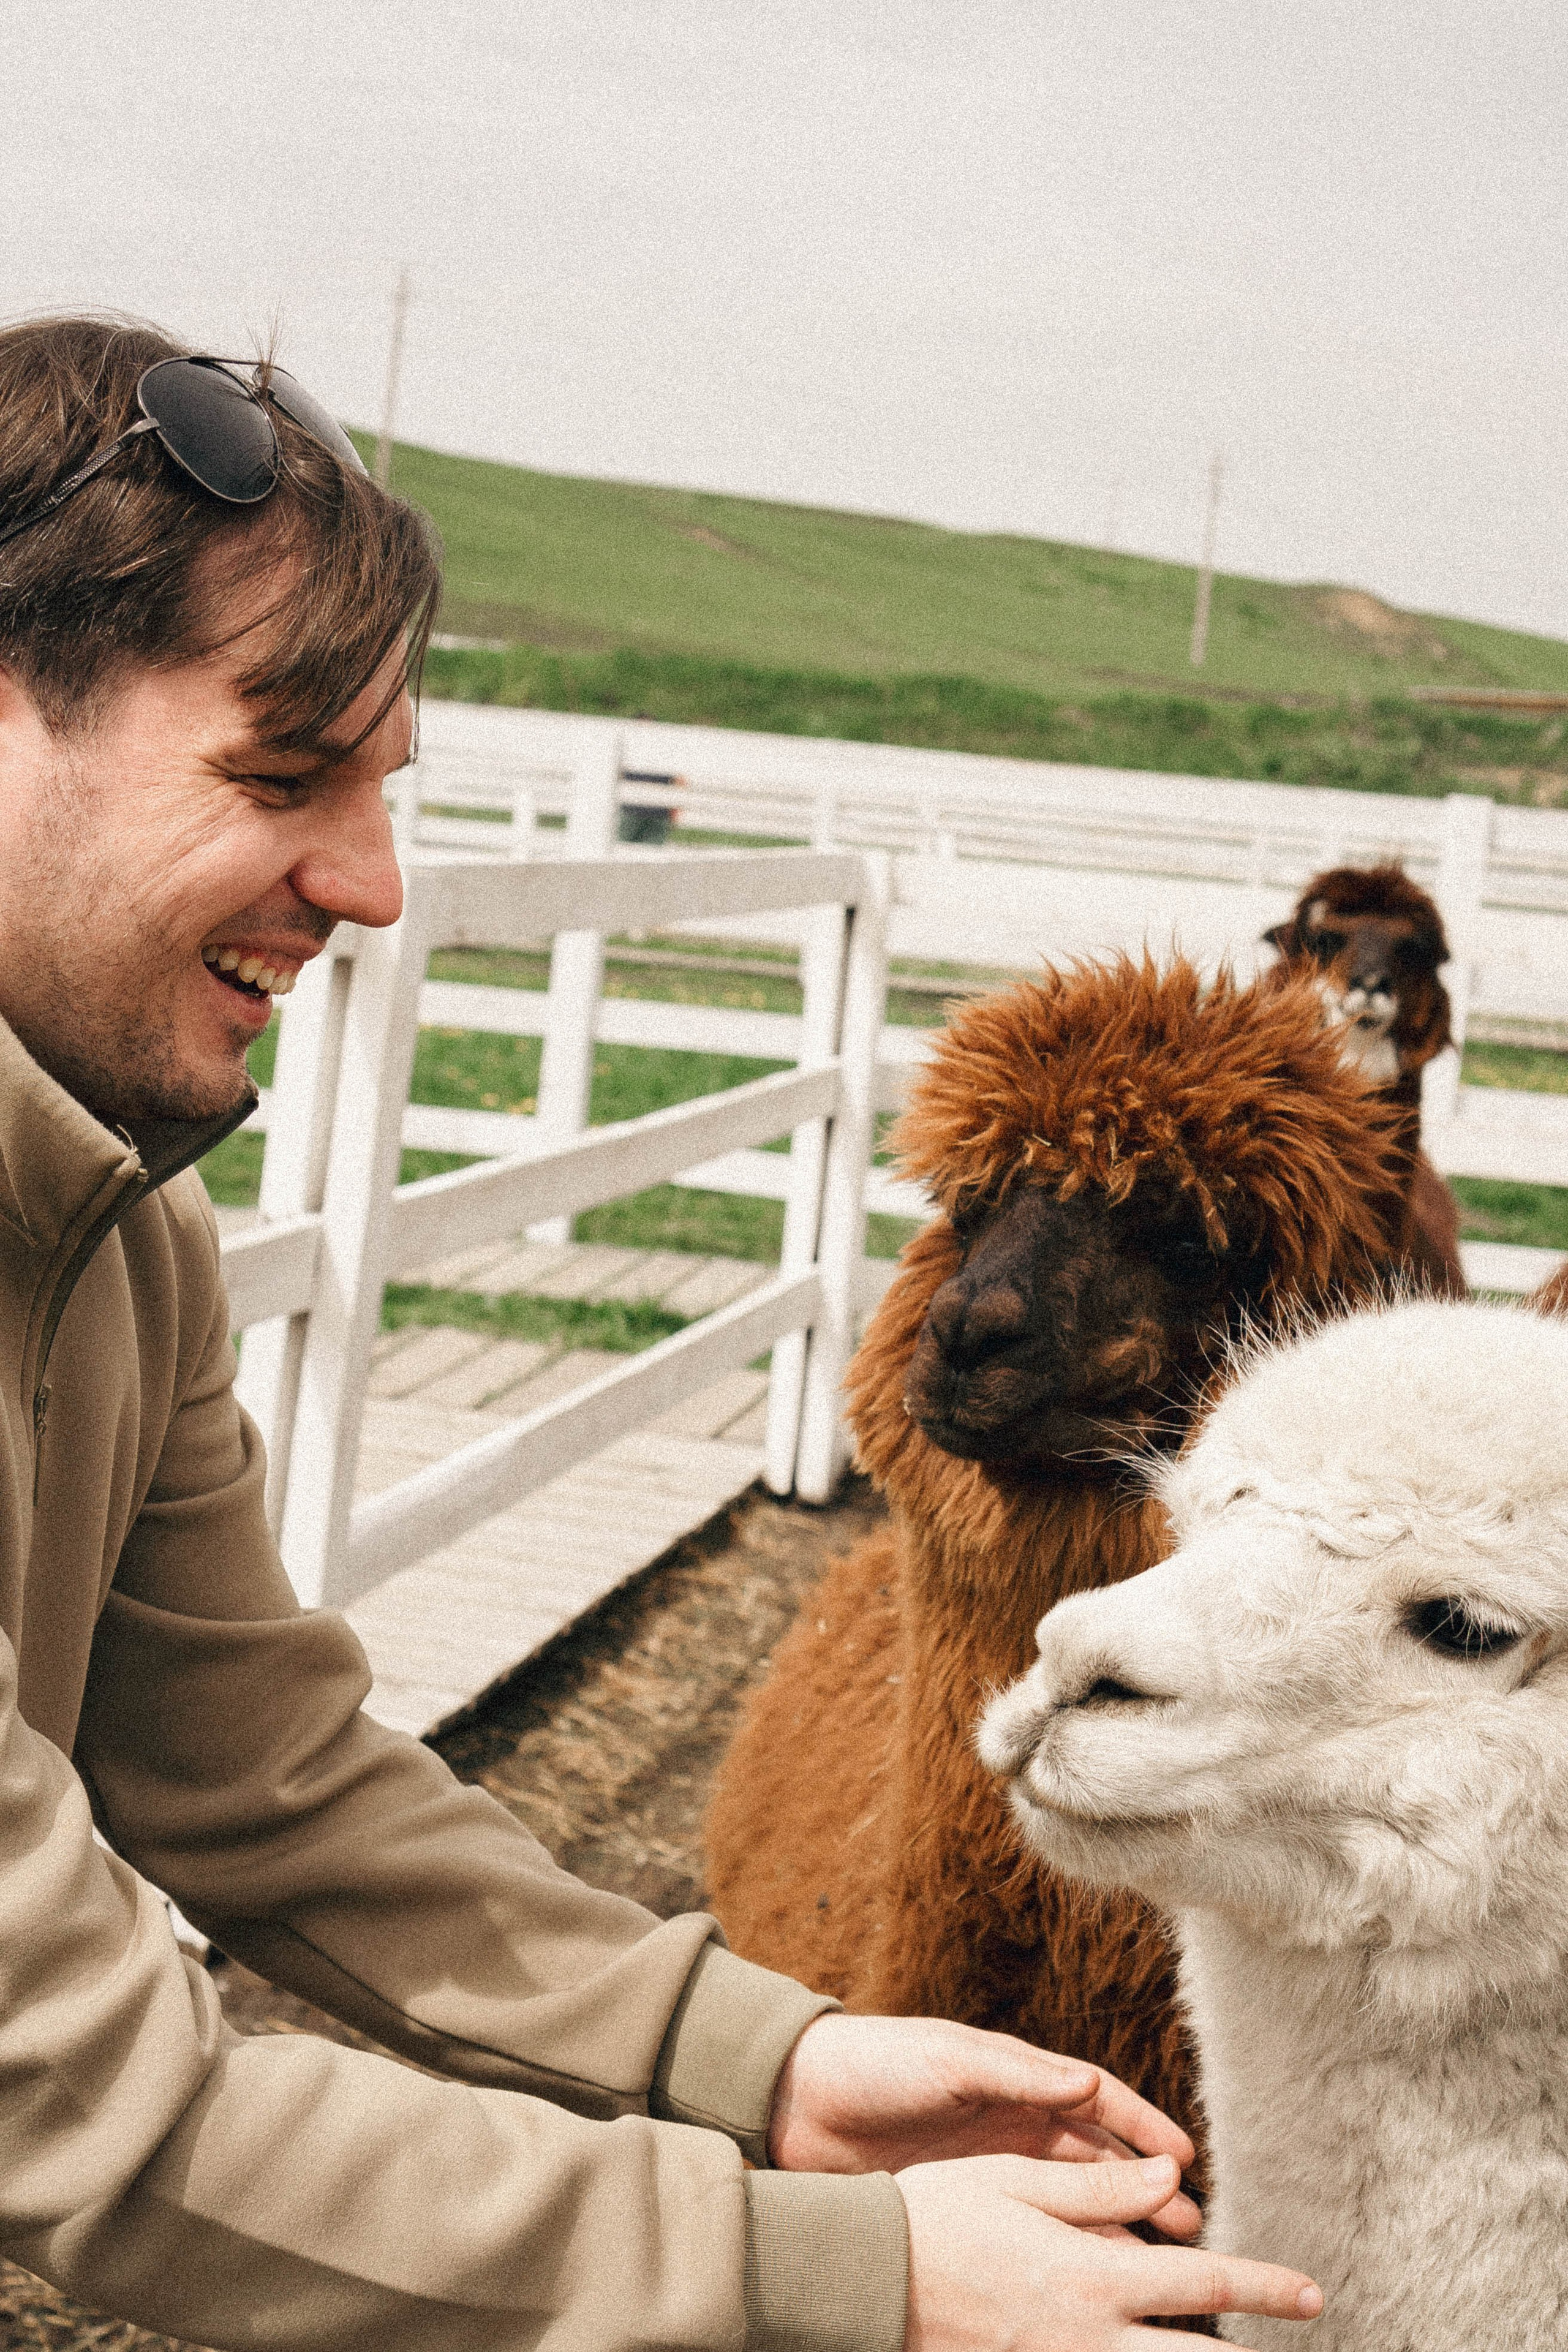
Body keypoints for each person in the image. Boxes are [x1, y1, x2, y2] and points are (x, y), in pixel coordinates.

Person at [0, 315, 1323, 2352]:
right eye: (284, 772)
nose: (370, 885)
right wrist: (832, 2273)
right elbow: (84, 2106)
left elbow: (258, 1774)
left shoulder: (111, 1223)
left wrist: (747, 2057)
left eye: (386, 784)